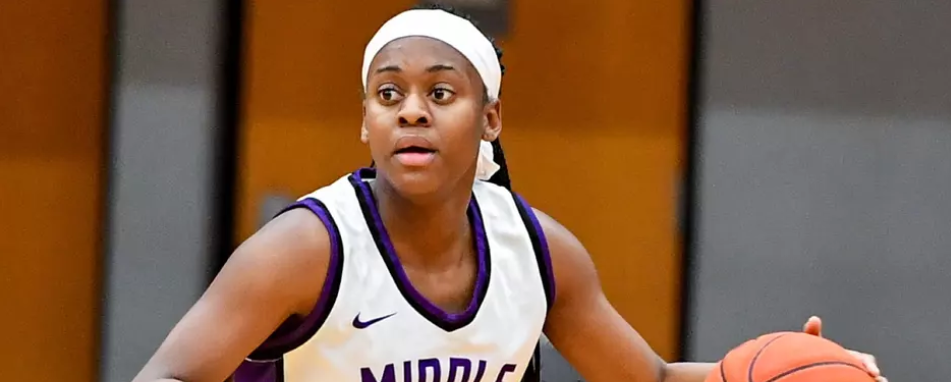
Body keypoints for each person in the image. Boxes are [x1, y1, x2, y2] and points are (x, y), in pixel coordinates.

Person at [132, 5, 884, 382]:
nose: (411, 111)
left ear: (490, 118)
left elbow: (649, 377)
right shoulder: (306, 249)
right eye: (388, 94)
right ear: (365, 122)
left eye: (440, 93)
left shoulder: (538, 251)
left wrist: (787, 369)